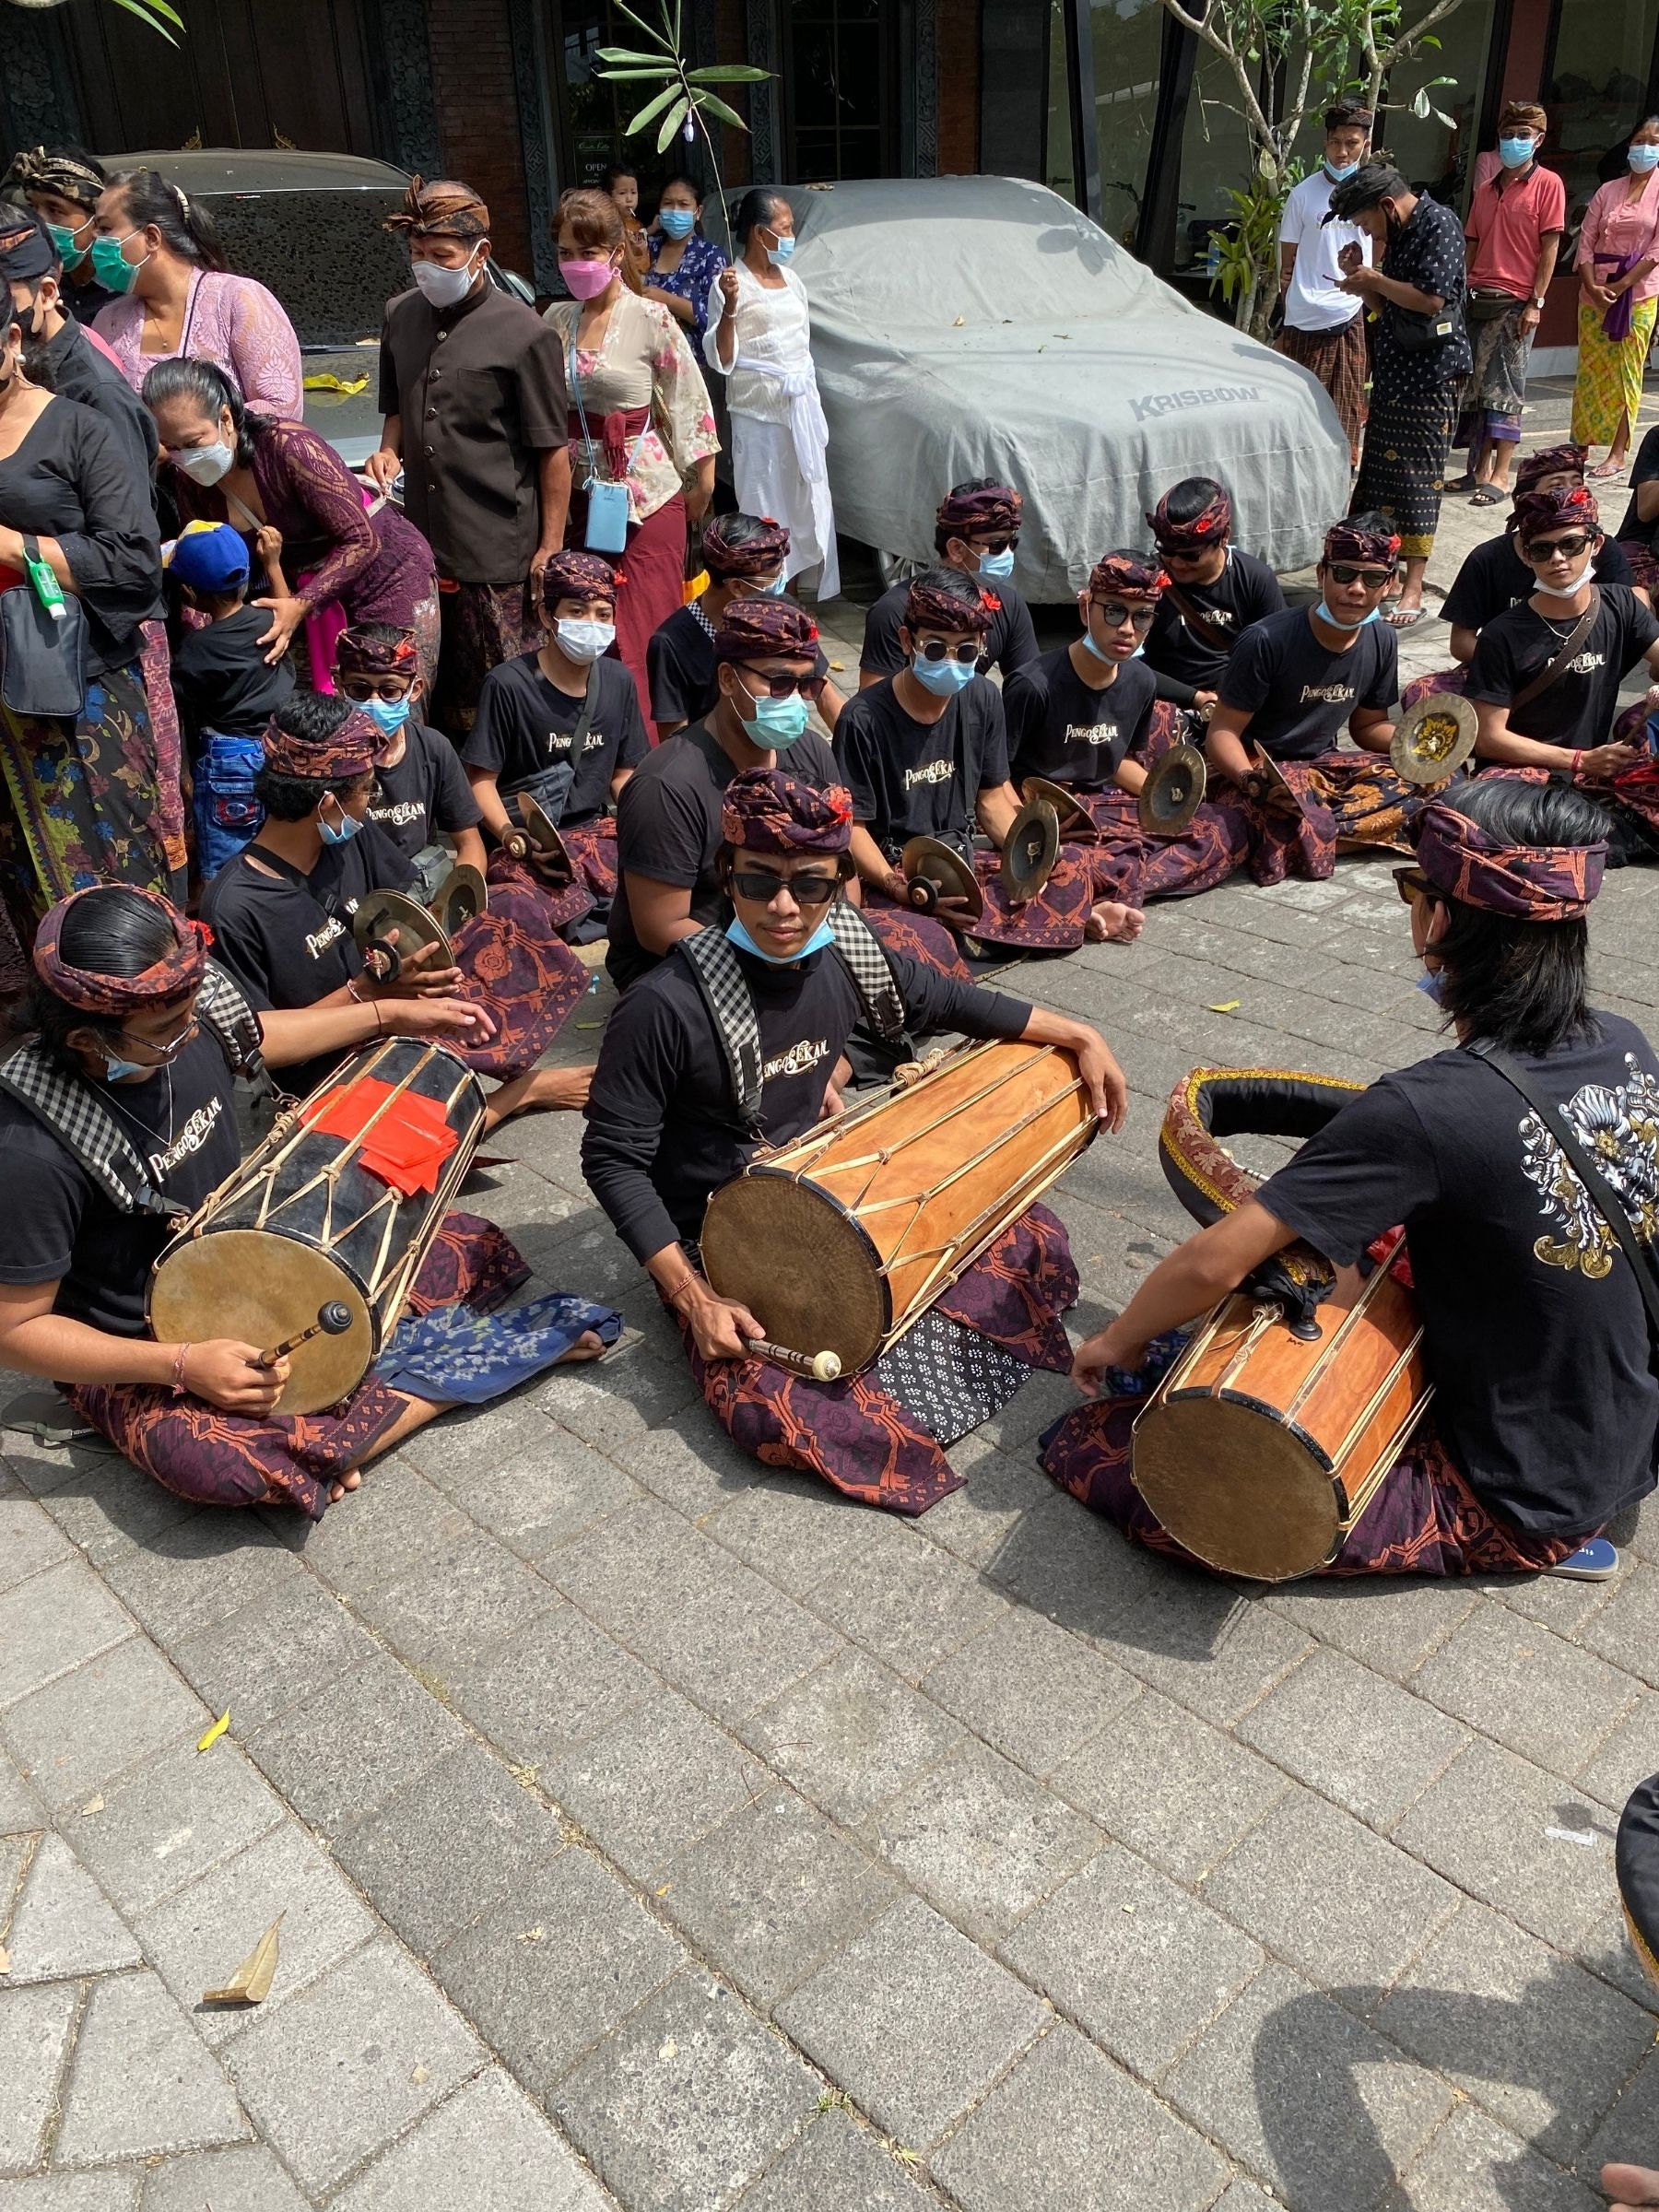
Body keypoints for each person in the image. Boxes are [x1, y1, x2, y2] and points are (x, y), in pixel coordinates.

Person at [1043, 775, 1653, 1583]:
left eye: (1413, 890)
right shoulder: (1627, 1041)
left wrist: (1116, 1341)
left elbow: (1216, 1261)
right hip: (1627, 1434)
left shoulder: (1427, 1109)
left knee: (1094, 1451)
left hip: (1523, 1498)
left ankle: (1533, 1542)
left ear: (1439, 918)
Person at [582, 765, 1126, 1511]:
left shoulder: (848, 952)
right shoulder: (663, 1006)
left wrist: (1078, 1032)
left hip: (824, 1184)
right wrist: (694, 1297)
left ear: (838, 881)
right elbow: (612, 1159)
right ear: (724, 877)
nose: (783, 907)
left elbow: (954, 1000)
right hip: (717, 1233)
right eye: (758, 881)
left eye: (809, 885)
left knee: (1019, 1231)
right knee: (787, 1405)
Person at [0, 884, 611, 1518]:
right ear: (84, 1041)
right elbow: (14, 1332)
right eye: (166, 1029)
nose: (192, 1032)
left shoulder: (177, 1011)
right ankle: (433, 1391)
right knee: (218, 1465)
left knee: (471, 1245)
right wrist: (182, 1363)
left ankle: (329, 1437)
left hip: (255, 1249)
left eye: (191, 1013)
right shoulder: (27, 1149)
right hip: (144, 1341)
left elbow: (257, 1038)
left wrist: (391, 1015)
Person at [199, 693, 589, 1121]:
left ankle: (461, 1072)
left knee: (510, 908)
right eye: (366, 789)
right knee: (407, 1142)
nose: (370, 800)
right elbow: (259, 1042)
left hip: (387, 1005)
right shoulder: (236, 906)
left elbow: (408, 913)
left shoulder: (350, 837)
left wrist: (424, 980)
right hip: (326, 1073)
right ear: (327, 804)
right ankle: (518, 1096)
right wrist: (376, 1004)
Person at [0, 297, 176, 977]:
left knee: (113, 871)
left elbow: (133, 564)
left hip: (80, 691)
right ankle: (58, 1037)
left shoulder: (79, 428)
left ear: (13, 338)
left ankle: (147, 1013)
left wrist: (16, 546)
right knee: (22, 885)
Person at [370, 177, 571, 734]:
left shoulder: (525, 333)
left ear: (480, 253)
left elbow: (553, 451)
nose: (427, 267)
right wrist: (389, 451)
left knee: (503, 688)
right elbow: (398, 407)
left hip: (496, 547)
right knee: (426, 685)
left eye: (442, 256)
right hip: (421, 542)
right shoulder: (400, 315)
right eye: (417, 255)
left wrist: (550, 547)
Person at [837, 569, 1096, 951]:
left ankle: (1054, 923)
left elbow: (991, 801)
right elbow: (852, 830)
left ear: (982, 646)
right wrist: (901, 888)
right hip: (898, 871)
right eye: (937, 648)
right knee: (917, 941)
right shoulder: (862, 719)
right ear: (907, 640)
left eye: (967, 651)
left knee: (1074, 868)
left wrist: (1029, 859)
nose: (953, 661)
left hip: (963, 860)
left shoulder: (983, 697)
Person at [147, 357, 440, 692]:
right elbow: (209, 563)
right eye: (172, 447)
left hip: (384, 577)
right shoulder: (189, 485)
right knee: (313, 719)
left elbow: (361, 540)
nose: (184, 457)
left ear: (226, 418)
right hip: (293, 599)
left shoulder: (289, 448)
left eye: (193, 443)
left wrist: (300, 605)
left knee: (386, 695)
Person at [606, 596, 842, 993]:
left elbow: (840, 873)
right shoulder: (666, 786)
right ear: (728, 680)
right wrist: (771, 962)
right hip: (692, 961)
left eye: (808, 685)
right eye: (779, 684)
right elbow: (660, 928)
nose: (797, 700)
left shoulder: (812, 752)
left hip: (792, 938)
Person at [543, 188, 718, 717]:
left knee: (643, 631)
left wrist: (701, 485)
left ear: (616, 254)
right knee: (580, 628)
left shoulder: (651, 318)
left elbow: (690, 405)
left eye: (588, 252)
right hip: (574, 496)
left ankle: (652, 758)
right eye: (566, 253)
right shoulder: (553, 320)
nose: (577, 264)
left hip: (647, 497)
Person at [1003, 552, 1250, 922]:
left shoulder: (1142, 680)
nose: (1127, 629)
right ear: (1086, 608)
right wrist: (1023, 829)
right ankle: (1096, 886)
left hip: (1104, 804)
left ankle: (1105, 884)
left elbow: (1119, 763)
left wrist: (1170, 803)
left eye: (1142, 616)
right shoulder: (1032, 686)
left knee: (1220, 828)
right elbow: (995, 779)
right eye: (1114, 611)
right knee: (1071, 861)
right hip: (1049, 811)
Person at [1205, 516, 1415, 883]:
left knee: (1440, 783)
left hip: (1323, 771)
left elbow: (1368, 726)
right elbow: (1221, 734)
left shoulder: (1383, 639)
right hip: (1259, 775)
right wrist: (1251, 781)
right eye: (1344, 574)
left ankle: (1308, 837)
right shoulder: (1266, 640)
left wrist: (1417, 745)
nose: (1356, 589)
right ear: (1322, 574)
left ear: (1390, 584)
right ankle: (1325, 835)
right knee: (1265, 816)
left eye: (1373, 578)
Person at [1465, 484, 1659, 863]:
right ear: (1526, 555)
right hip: (1521, 778)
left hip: (1596, 773)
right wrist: (1578, 761)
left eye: (1570, 544)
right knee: (1493, 819)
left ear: (1596, 544)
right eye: (1542, 549)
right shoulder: (1502, 634)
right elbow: (1488, 739)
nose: (1558, 558)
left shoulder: (1621, 604)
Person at [464, 549, 651, 919]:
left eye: (603, 614)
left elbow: (623, 773)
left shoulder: (618, 681)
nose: (591, 623)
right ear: (548, 615)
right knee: (518, 908)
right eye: (576, 612)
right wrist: (508, 835)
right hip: (526, 840)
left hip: (595, 835)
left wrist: (645, 821)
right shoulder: (507, 685)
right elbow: (480, 781)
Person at [1332, 161, 1473, 628]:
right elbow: (1387, 304)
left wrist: (1375, 280)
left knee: (1418, 481)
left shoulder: (1440, 224)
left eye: (1366, 221)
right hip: (1395, 374)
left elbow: (1431, 300)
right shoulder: (1398, 235)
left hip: (1431, 377)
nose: (1367, 230)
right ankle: (1376, 570)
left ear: (1387, 205)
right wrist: (1361, 279)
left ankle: (1413, 587)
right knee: (1379, 479)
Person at [704, 189, 839, 600]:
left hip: (798, 411)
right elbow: (722, 358)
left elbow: (802, 344)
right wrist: (729, 306)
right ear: (760, 233)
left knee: (803, 507)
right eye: (785, 229)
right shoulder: (731, 282)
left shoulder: (793, 280)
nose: (791, 235)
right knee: (765, 507)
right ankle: (764, 597)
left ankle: (792, 597)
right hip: (757, 415)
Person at [89, 169, 301, 419]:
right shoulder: (108, 323)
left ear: (151, 237)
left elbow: (280, 407)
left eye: (105, 229)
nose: (94, 240)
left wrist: (197, 439)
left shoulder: (236, 300)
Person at [647, 511, 844, 742]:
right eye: (772, 578)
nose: (780, 584)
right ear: (737, 587)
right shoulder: (672, 643)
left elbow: (826, 698)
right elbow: (675, 738)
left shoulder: (785, 617)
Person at [1451, 104, 1564, 504]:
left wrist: (1537, 301)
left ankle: (1500, 476)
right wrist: (1458, 290)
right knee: (1476, 390)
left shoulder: (1549, 185)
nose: (1513, 142)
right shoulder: (1485, 189)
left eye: (1523, 134)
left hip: (1517, 301)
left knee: (1507, 389)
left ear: (1538, 139)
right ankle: (1476, 471)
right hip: (1478, 297)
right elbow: (1472, 244)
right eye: (1508, 134)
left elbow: (1549, 248)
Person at [0, 207, 155, 489]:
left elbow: (129, 530)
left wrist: (16, 537)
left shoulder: (98, 394)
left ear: (46, 294)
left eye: (5, 300)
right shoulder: (13, 369)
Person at [1439, 445, 1633, 664]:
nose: (1569, 494)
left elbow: (1632, 611)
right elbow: (1462, 642)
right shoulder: (1487, 559)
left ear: (1595, 545)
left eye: (1577, 485)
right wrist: (1517, 668)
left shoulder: (1604, 549)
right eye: (1556, 487)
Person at [332, 622, 480, 895]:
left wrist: (448, 910)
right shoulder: (326, 758)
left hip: (418, 892)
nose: (374, 702)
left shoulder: (433, 748)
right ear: (339, 685)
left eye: (389, 692)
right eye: (360, 690)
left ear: (414, 690)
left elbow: (470, 846)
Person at [860, 481, 1038, 687]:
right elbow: (872, 705)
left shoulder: (1009, 605)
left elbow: (1029, 687)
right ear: (956, 548)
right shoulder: (894, 611)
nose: (1007, 554)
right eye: (997, 545)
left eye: (1012, 543)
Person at [1276, 101, 1374, 468]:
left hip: (1350, 311)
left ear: (1365, 143)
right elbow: (1288, 259)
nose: (1343, 152)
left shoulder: (1373, 193)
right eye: (1336, 142)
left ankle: (1341, 475)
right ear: (1325, 143)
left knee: (1347, 403)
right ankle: (1303, 470)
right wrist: (1290, 294)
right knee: (1305, 400)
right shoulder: (1302, 194)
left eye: (1352, 142)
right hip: (1305, 315)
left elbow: (1379, 245)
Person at [1140, 479, 1286, 713]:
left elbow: (1278, 657)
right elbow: (1119, 660)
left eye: (1191, 555)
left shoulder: (1254, 579)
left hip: (1234, 704)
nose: (1176, 563)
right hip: (1163, 702)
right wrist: (1195, 698)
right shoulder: (1147, 579)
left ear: (1224, 536)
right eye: (1166, 551)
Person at [1572, 120, 1659, 480]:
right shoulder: (1608, 190)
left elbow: (1657, 249)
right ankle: (1579, 446)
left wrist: (1623, 284)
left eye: (1654, 142)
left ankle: (1618, 451)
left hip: (1638, 294)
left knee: (1626, 372)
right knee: (1591, 372)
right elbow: (1586, 240)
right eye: (1640, 140)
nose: (1645, 147)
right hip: (1594, 293)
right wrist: (1592, 285)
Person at [2, 146, 121, 325]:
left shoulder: (125, 285)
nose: (40, 221)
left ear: (95, 218)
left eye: (55, 210)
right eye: (32, 208)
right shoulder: (29, 288)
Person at [643, 174, 726, 348]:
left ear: (698, 212)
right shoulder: (647, 248)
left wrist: (667, 299)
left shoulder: (710, 256)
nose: (675, 210)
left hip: (691, 361)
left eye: (683, 204)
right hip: (645, 354)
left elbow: (715, 317)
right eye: (668, 203)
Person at [601, 161, 651, 287]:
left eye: (633, 192)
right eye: (622, 193)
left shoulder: (636, 223)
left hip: (641, 275)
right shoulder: (608, 224)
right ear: (608, 195)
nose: (629, 199)